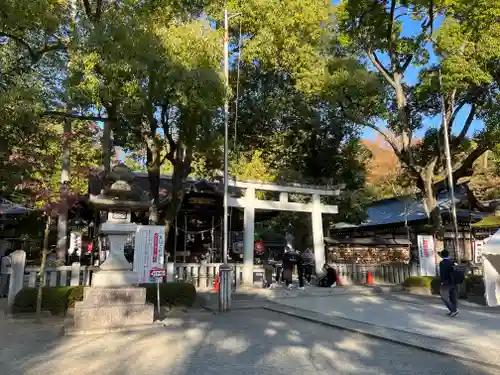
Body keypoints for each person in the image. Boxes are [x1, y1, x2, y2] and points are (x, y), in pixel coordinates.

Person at [439, 249, 459, 317]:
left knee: (444, 297)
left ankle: (454, 310)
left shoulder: (442, 263)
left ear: (441, 255)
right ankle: (453, 311)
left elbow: (442, 273)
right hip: (453, 282)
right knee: (452, 297)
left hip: (446, 282)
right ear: (448, 255)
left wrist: (442, 281)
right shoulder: (452, 262)